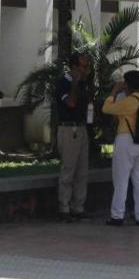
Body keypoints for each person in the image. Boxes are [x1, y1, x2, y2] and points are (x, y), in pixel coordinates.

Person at [103, 69, 139, 227]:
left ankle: (117, 215)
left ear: (127, 85)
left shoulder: (129, 102)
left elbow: (107, 108)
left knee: (121, 179)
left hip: (127, 141)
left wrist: (114, 91)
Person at [54, 51, 92, 222]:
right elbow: (70, 102)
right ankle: (64, 207)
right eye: (84, 66)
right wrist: (75, 84)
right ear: (74, 66)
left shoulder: (85, 83)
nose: (86, 70)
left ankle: (78, 206)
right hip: (68, 129)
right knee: (68, 169)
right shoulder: (63, 83)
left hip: (82, 128)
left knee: (82, 170)